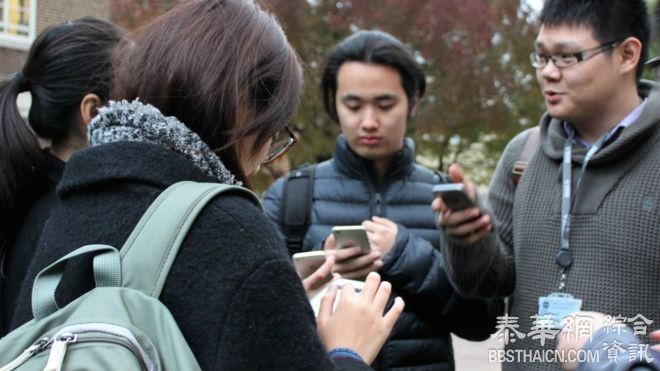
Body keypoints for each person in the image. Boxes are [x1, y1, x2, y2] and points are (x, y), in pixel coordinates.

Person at [11, 1, 403, 369]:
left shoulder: (73, 203)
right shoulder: (231, 232)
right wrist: (348, 351)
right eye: (272, 131)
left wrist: (275, 301)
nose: (266, 150)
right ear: (247, 113)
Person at [434, 0, 659, 370]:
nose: (548, 73)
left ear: (626, 55)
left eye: (567, 57)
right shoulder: (524, 154)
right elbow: (489, 283)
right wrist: (468, 239)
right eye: (540, 57)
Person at [264, 30, 502, 370]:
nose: (369, 122)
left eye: (385, 104)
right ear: (334, 104)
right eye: (353, 105)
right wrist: (325, 277)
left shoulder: (446, 203)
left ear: (414, 101)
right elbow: (259, 318)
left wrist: (405, 254)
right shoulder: (290, 196)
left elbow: (484, 322)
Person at [0, 17, 124, 336]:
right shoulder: (86, 215)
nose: (147, 107)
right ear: (93, 113)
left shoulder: (24, 187)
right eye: (135, 92)